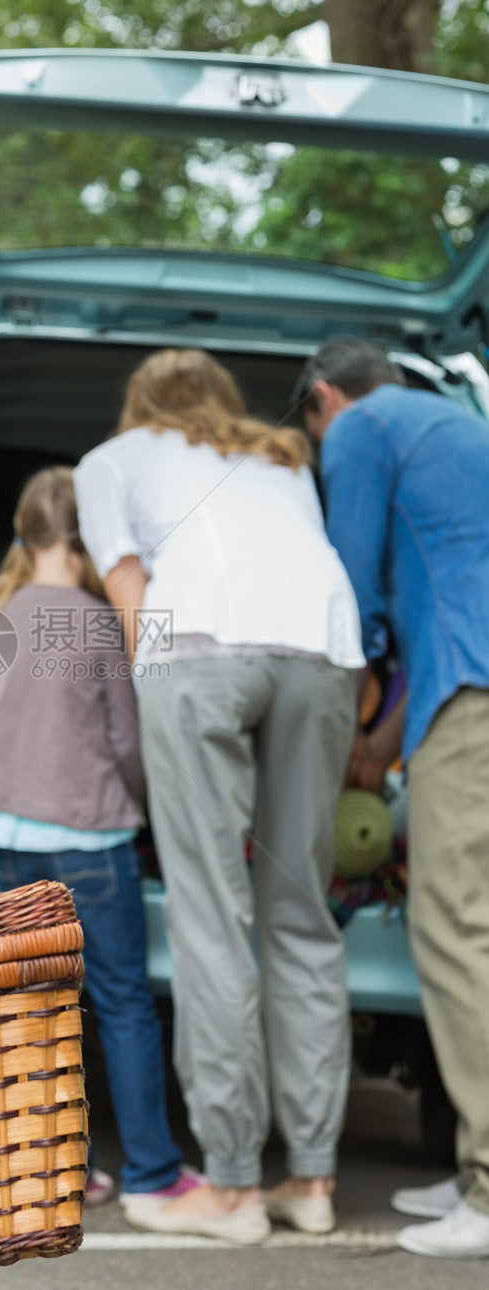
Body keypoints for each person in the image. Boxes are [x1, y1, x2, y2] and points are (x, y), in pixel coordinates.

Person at [73, 348, 365, 1244]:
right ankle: (310, 1183)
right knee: (299, 912)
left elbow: (135, 608)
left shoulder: (109, 462)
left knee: (211, 914)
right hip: (323, 652)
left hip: (200, 647)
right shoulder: (284, 458)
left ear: (139, 401)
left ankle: (234, 1189)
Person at [0, 465, 201, 1222]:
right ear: (92, 537)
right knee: (124, 1002)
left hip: (3, 832)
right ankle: (154, 1171)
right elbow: (127, 742)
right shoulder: (101, 624)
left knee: (40, 1005)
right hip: (87, 837)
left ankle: (68, 1172)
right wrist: (153, 805)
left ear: (23, 534)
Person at [296, 336, 489, 1261]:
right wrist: (385, 739)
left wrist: (334, 725)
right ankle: (473, 1165)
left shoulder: (362, 428)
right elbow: (442, 601)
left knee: (453, 925)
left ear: (325, 398)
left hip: (475, 695)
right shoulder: (453, 422)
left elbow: (352, 583)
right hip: (464, 687)